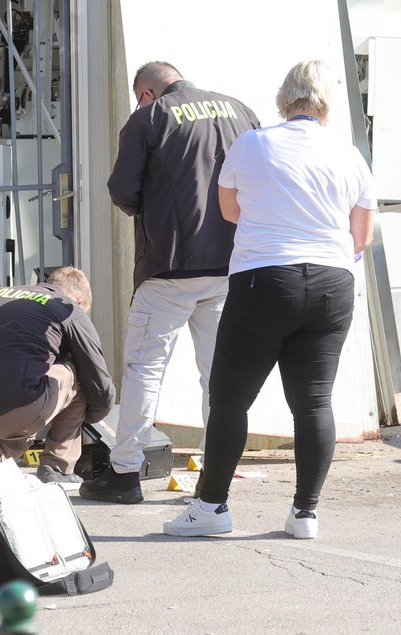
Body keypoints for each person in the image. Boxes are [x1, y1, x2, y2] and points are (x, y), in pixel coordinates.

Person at [162, 59, 377, 538]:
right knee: (314, 402)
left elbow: (229, 209)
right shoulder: (349, 155)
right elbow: (361, 236)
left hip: (264, 278)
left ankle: (211, 509)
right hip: (332, 282)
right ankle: (305, 513)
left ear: (285, 98)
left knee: (230, 399)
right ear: (326, 103)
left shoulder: (253, 143)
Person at [79, 61, 260, 504]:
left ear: (145, 92)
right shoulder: (241, 110)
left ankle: (123, 473)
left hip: (170, 267)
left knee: (145, 369)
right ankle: (216, 472)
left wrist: (157, 208)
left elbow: (122, 191)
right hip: (230, 265)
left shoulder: (150, 118)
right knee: (218, 375)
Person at [0, 266, 116, 489]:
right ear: (78, 300)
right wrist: (89, 417)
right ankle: (57, 467)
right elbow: (100, 385)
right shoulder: (67, 308)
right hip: (17, 411)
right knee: (78, 375)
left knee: (20, 388)